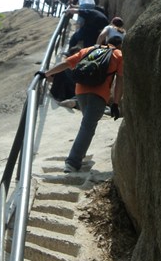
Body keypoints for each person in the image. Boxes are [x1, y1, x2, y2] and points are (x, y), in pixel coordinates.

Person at [44, 33, 124, 173]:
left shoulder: (90, 49)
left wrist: (46, 73)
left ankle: (78, 155)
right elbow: (120, 82)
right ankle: (72, 162)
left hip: (80, 91)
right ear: (120, 45)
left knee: (87, 126)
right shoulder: (118, 55)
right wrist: (116, 103)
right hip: (99, 94)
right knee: (87, 127)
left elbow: (67, 63)